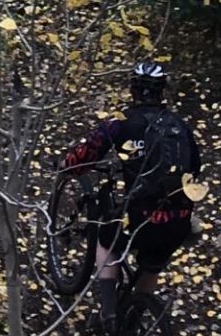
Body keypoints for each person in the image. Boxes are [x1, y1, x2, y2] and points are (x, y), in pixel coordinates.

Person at [63, 61, 201, 312]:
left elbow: (85, 156)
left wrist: (67, 165)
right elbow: (195, 167)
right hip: (179, 218)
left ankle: (108, 312)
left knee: (107, 240)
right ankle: (136, 317)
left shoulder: (121, 122)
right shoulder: (179, 125)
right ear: (162, 91)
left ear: (133, 90)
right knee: (152, 261)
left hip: (140, 218)